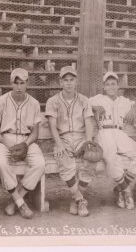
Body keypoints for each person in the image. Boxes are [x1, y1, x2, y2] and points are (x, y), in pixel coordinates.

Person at [0, 68, 44, 219]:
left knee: (40, 164)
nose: (19, 86)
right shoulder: (1, 101)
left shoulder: (34, 103)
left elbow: (35, 132)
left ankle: (15, 201)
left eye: (22, 83)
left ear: (27, 83)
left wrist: (25, 144)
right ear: (11, 83)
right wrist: (7, 144)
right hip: (5, 139)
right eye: (16, 83)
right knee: (1, 162)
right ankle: (22, 204)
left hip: (26, 140)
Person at [90, 71, 136, 210]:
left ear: (118, 86)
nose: (110, 87)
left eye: (113, 84)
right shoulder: (97, 98)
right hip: (104, 132)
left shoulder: (124, 101)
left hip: (119, 133)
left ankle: (122, 187)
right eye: (107, 84)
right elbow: (82, 104)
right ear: (104, 87)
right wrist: (94, 107)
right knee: (111, 158)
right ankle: (126, 192)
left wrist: (135, 107)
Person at [45, 66, 97, 217]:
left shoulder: (84, 100)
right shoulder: (53, 101)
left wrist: (88, 141)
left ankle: (75, 197)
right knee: (64, 159)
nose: (68, 83)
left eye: (71, 80)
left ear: (76, 82)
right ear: (60, 82)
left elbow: (89, 123)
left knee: (92, 158)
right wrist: (59, 144)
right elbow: (52, 126)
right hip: (64, 138)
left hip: (81, 137)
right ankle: (80, 200)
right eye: (65, 80)